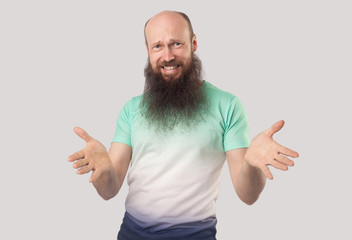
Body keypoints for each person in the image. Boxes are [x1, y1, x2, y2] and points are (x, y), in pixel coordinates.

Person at [68, 10, 299, 240]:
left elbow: (248, 196)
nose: (167, 56)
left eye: (176, 43)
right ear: (148, 51)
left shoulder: (228, 105)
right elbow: (109, 191)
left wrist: (251, 164)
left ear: (193, 43)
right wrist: (103, 170)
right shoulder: (132, 109)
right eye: (157, 46)